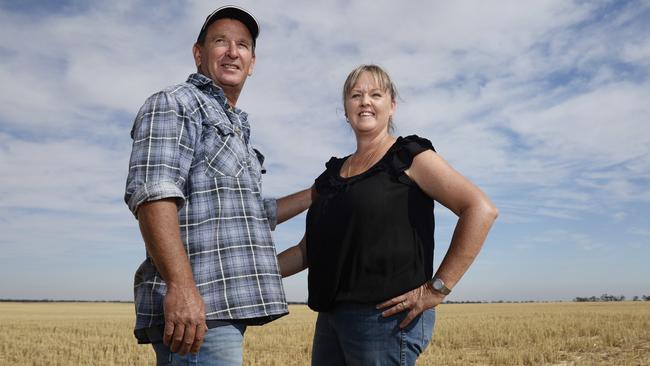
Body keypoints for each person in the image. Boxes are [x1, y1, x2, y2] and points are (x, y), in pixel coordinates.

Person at [124, 6, 312, 365]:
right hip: (200, 313)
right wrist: (181, 288)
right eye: (220, 41)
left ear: (252, 62)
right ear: (199, 53)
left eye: (242, 45)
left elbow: (256, 214)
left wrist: (316, 193)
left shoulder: (236, 126)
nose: (232, 51)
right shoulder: (175, 103)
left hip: (218, 313)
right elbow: (153, 197)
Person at [278, 64, 498, 365]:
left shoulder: (408, 156)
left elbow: (480, 210)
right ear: (346, 110)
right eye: (355, 95)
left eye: (375, 94)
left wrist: (437, 289)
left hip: (385, 321)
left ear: (391, 106)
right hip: (331, 319)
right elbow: (307, 250)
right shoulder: (331, 176)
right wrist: (252, 271)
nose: (365, 101)